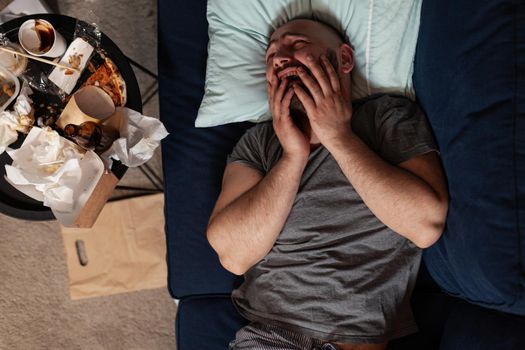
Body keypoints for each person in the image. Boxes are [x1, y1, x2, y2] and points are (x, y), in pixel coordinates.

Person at [206, 18, 449, 350]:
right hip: (271, 337)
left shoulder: (386, 117)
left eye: (299, 45)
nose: (279, 57)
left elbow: (425, 225)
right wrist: (293, 156)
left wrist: (338, 137)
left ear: (344, 59)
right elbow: (233, 255)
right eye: (271, 54)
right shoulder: (259, 143)